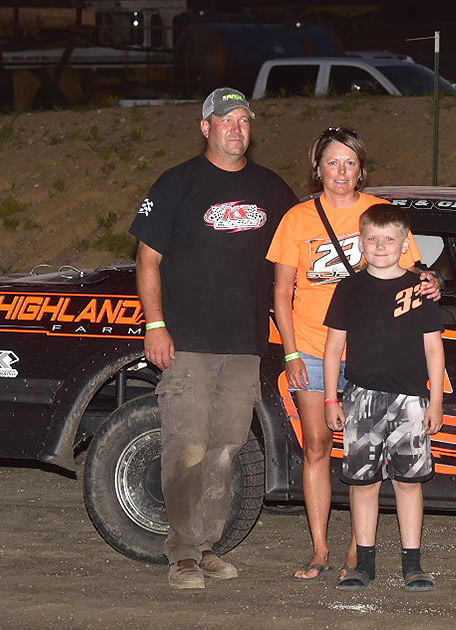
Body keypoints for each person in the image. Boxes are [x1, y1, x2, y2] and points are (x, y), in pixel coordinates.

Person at [130, 87, 297, 589]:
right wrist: (155, 325)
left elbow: (302, 254)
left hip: (245, 345)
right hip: (187, 346)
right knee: (188, 446)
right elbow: (147, 259)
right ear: (206, 127)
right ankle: (181, 552)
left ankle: (205, 546)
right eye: (225, 120)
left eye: (244, 120)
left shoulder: (271, 189)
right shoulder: (177, 183)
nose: (236, 128)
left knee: (226, 448)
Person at [266, 127, 440, 582]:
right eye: (331, 162)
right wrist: (290, 353)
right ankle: (320, 547)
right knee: (318, 445)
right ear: (317, 168)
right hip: (310, 345)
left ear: (361, 168)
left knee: (368, 453)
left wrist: (432, 282)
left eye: (349, 162)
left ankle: (355, 551)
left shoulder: (379, 215)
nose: (340, 171)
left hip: (371, 353)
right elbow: (282, 292)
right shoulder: (297, 218)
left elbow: (416, 272)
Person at [323, 203, 445, 592]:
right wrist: (331, 399)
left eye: (389, 239)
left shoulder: (421, 289)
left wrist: (436, 401)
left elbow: (434, 349)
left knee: (409, 483)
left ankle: (413, 564)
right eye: (372, 239)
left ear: (404, 243)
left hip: (410, 400)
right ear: (360, 243)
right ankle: (365, 564)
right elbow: (333, 348)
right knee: (364, 484)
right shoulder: (349, 288)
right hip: (360, 399)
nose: (380, 246)